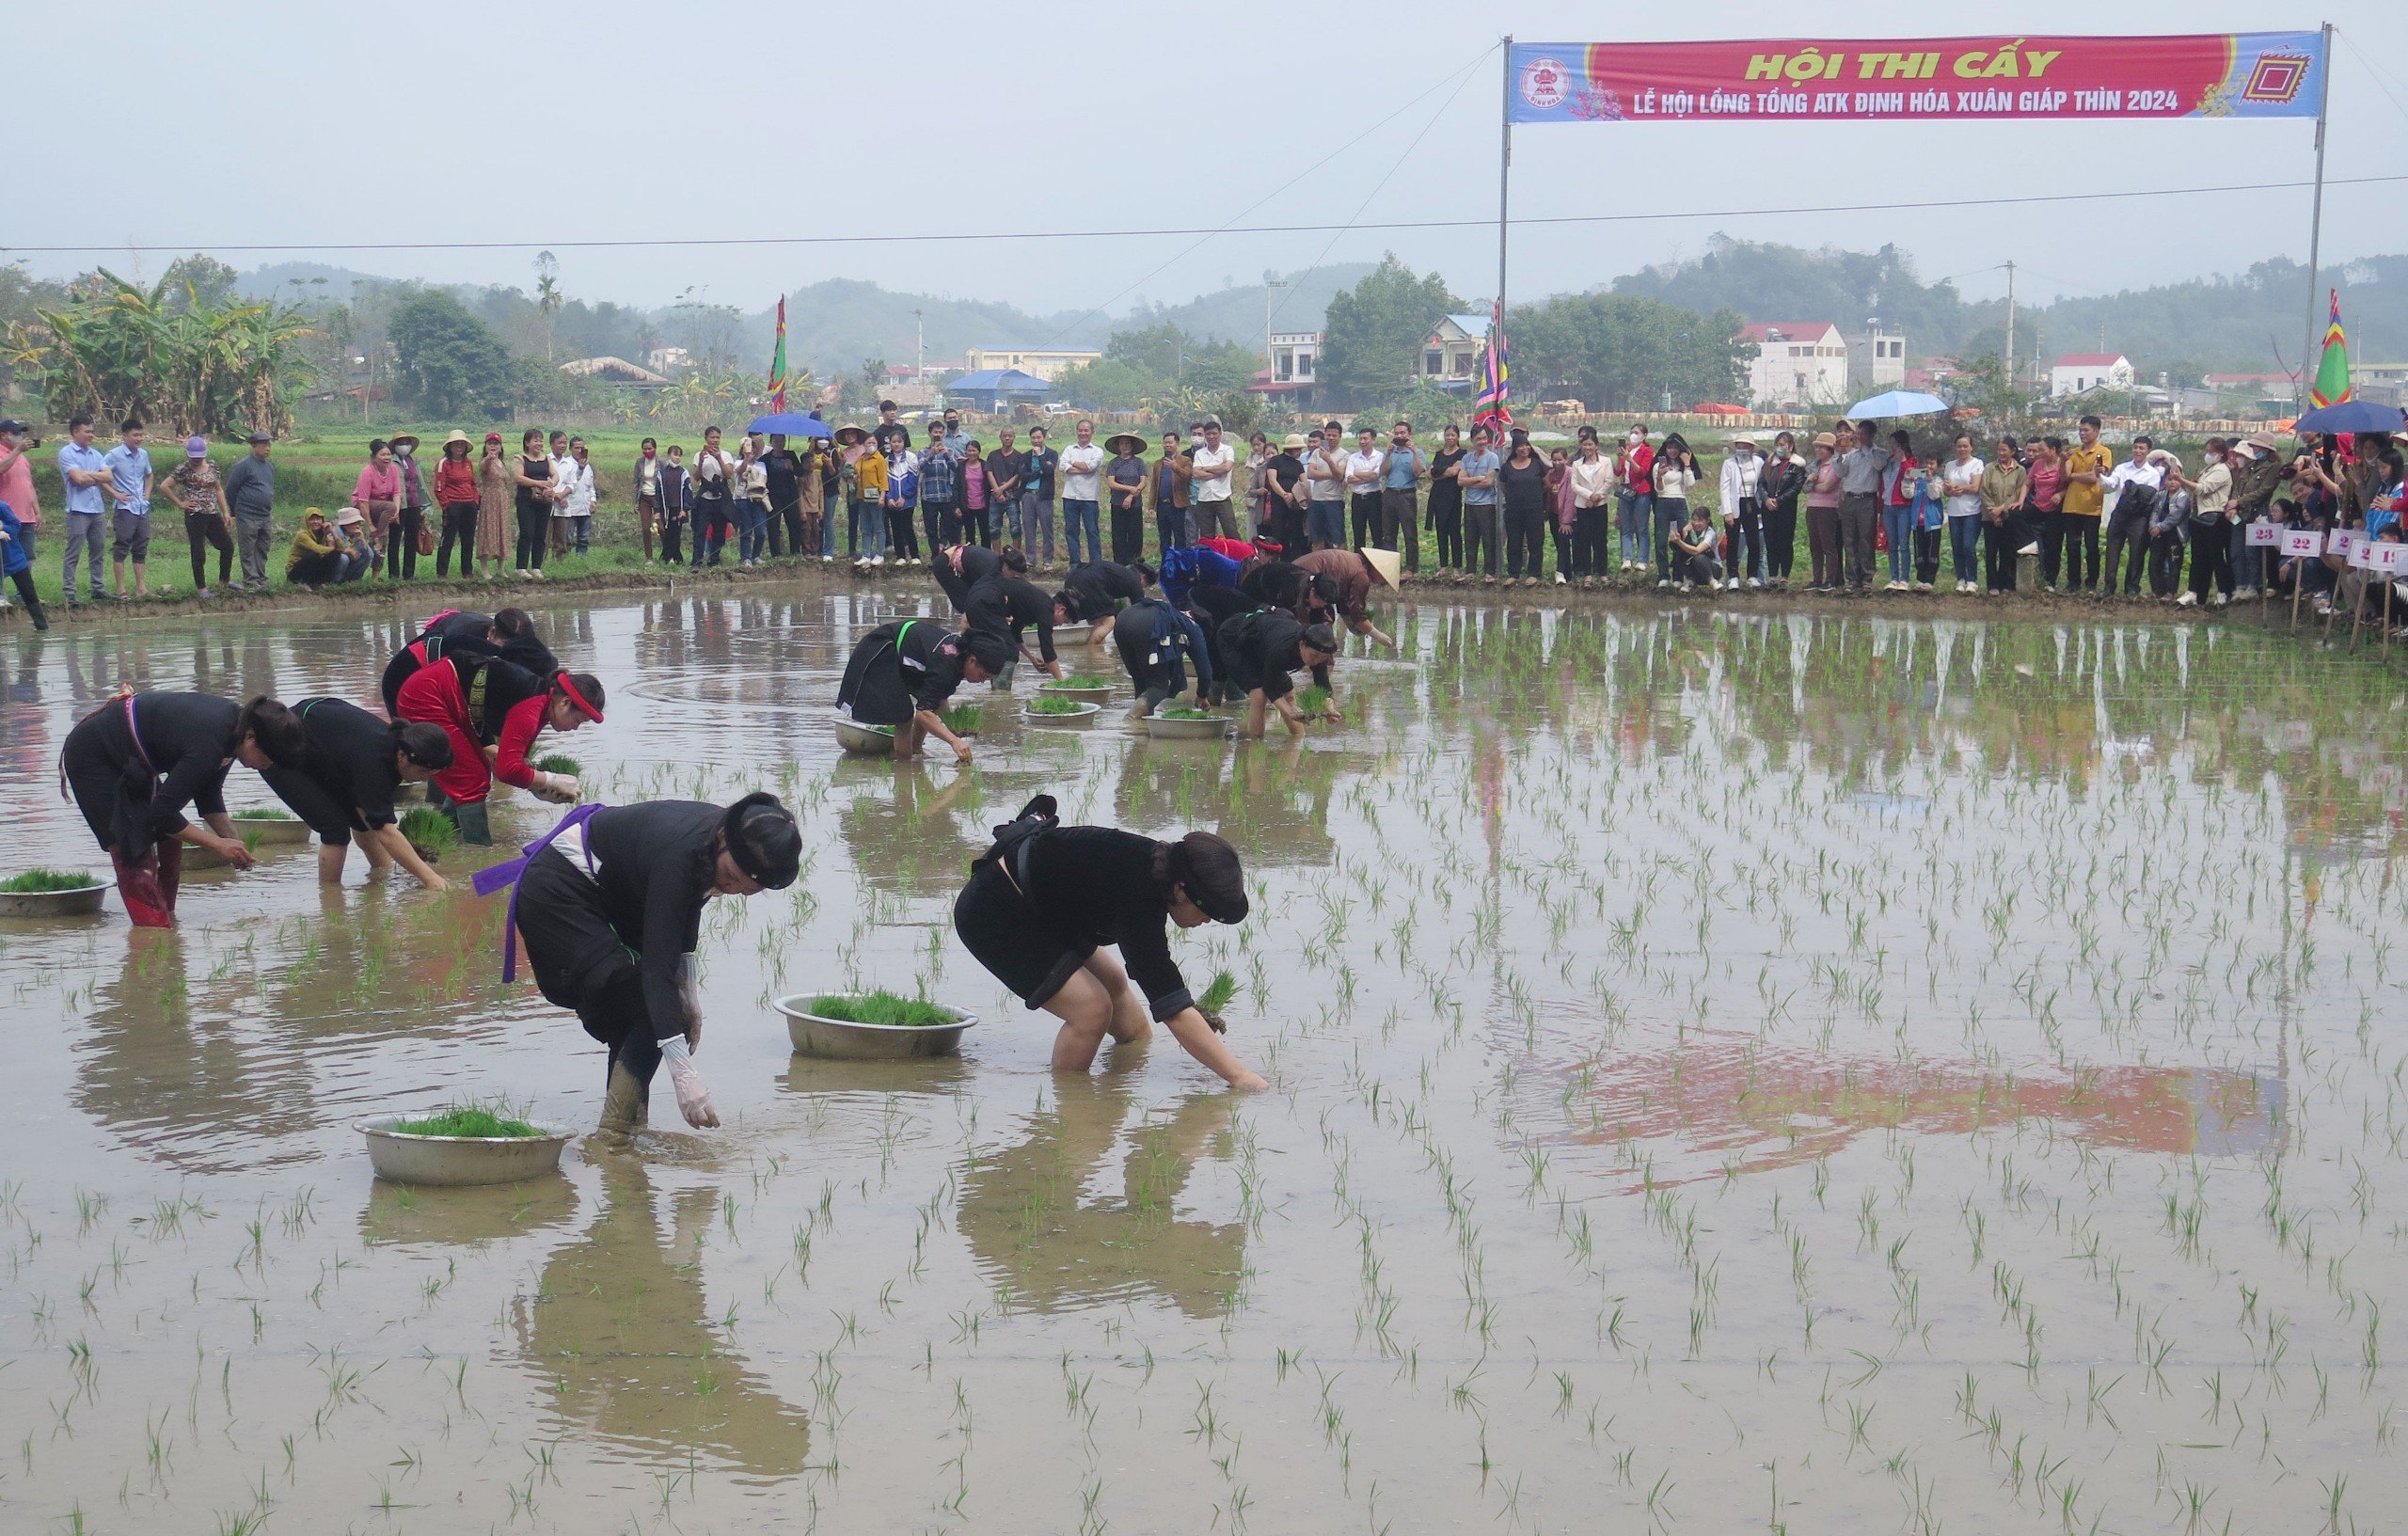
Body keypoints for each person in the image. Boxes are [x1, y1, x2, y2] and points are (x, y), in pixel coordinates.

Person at [491, 793, 803, 1132]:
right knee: (646, 1008)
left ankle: (627, 1128)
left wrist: (689, 994)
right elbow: (657, 966)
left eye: (746, 889)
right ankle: (616, 1137)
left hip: (610, 895)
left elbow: (684, 919)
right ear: (723, 838)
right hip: (560, 892)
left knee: (653, 1013)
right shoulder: (682, 851)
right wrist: (682, 1070)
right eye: (732, 875)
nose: (730, 888)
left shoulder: (712, 850)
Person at [951, 797, 1267, 1089]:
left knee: (1126, 1011)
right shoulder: (1137, 896)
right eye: (1207, 909)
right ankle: (1075, 1109)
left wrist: (1191, 1018)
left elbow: (1165, 992)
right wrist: (1241, 1077)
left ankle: (1115, 1095)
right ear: (1182, 890)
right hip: (995, 913)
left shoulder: (1156, 874)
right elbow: (1170, 1005)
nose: (1208, 920)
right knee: (1090, 1010)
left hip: (1049, 910)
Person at [60, 692, 308, 926]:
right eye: (267, 757)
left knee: (169, 841)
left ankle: (167, 921)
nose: (266, 766)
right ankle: (152, 932)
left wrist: (232, 839)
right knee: (134, 852)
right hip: (94, 755)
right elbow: (162, 815)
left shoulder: (232, 732)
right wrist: (218, 845)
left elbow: (208, 795)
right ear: (251, 737)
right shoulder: (210, 742)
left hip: (133, 758)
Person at [394, 655, 602, 844]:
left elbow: (513, 762)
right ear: (565, 702)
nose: (575, 728)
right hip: (428, 694)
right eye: (579, 720)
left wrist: (541, 790)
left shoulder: (543, 703)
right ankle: (479, 850)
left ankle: (450, 835)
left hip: (452, 699)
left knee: (476, 770)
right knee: (471, 778)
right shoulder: (531, 708)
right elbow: (507, 770)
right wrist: (552, 780)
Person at [259, 699, 454, 889]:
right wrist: (430, 879)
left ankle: (382, 876)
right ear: (403, 756)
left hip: (321, 747)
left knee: (364, 823)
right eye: (424, 772)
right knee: (335, 830)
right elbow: (386, 832)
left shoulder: (395, 746)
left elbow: (372, 821)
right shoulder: (375, 764)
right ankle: (331, 900)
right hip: (279, 750)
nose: (426, 779)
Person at [836, 619, 1009, 762]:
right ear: (972, 661)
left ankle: (916, 750)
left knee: (928, 704)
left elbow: (936, 701)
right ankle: (904, 768)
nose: (982, 682)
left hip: (902, 657)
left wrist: (954, 726)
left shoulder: (958, 660)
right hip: (880, 652)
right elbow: (924, 714)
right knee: (903, 718)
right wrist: (954, 741)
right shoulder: (946, 665)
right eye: (983, 675)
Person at [379, 606, 549, 715]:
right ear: (492, 632)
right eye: (506, 648)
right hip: (405, 675)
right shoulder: (462, 638)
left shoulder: (498, 640)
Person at [1218, 609, 1340, 736]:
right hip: (1235, 640)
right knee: (1259, 694)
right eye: (1314, 656)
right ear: (1302, 644)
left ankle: (1299, 741)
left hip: (1263, 648)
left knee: (1289, 695)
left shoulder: (1318, 651)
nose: (1317, 661)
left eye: (1322, 658)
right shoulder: (1282, 649)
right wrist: (1289, 712)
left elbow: (1323, 685)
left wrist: (1329, 708)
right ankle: (1255, 747)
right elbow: (1270, 687)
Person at [1112, 594, 1215, 717]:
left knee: (1141, 681)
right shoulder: (1195, 628)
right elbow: (1205, 672)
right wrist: (1202, 695)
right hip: (1147, 624)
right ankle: (1130, 719)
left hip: (1123, 618)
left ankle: (1140, 729)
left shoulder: (1173, 614)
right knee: (1159, 687)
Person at [163, 436, 234, 598]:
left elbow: (218, 490)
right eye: (193, 457)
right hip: (195, 516)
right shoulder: (183, 469)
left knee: (227, 546)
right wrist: (180, 503)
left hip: (212, 513)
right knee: (198, 551)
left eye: (199, 457)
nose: (196, 460)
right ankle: (201, 588)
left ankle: (225, 581)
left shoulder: (213, 467)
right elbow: (165, 486)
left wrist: (226, 512)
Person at [1289, 546, 1399, 650]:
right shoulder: (1361, 576)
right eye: (1384, 578)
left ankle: (1320, 659)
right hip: (1304, 580)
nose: (1382, 582)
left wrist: (1352, 624)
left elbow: (1342, 601)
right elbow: (1357, 613)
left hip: (1296, 572)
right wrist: (1378, 635)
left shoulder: (1356, 561)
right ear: (1377, 570)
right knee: (1321, 623)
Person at [963, 571, 1067, 679]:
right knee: (1009, 652)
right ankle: (1001, 691)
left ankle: (994, 689)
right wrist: (1061, 682)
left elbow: (1014, 633)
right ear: (1061, 610)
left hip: (976, 599)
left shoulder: (1034, 604)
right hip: (985, 602)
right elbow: (1047, 651)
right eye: (1064, 620)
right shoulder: (1046, 610)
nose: (1060, 624)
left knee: (995, 647)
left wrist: (1031, 658)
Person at [2100, 433, 2164, 598]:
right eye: (2135, 447)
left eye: (2141, 448)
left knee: (2137, 552)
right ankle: (2109, 586)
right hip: (2120, 513)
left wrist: (2130, 489)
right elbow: (2110, 485)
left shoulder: (2152, 473)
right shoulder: (2122, 468)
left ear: (2148, 451)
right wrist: (2098, 474)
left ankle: (2132, 588)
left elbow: (2148, 496)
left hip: (2139, 517)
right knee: (2112, 550)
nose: (2138, 451)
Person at [57, 416, 112, 607]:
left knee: (98, 550)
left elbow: (109, 477)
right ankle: (69, 592)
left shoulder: (96, 454)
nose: (91, 435)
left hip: (97, 509)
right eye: (87, 431)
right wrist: (96, 477)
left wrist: (87, 475)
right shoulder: (67, 453)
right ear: (75, 432)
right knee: (74, 551)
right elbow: (77, 480)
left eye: (92, 431)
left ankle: (98, 588)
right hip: (78, 509)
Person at [2178, 437, 2236, 608]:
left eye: (2211, 452)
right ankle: (2194, 592)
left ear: (2220, 454)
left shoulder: (2222, 471)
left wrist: (2181, 480)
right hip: (2199, 517)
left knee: (2216, 557)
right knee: (2198, 558)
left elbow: (2203, 489)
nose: (2208, 455)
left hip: (2215, 518)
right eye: (2207, 452)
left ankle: (2223, 591)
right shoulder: (2208, 469)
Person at [2059, 414, 2114, 594]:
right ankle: (2073, 583)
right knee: (2072, 546)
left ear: (2096, 431)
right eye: (2080, 430)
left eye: (2086, 430)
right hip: (2071, 506)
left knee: (2091, 546)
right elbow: (2064, 477)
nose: (2082, 433)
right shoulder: (2073, 453)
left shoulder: (2103, 452)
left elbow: (2094, 478)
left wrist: (2073, 475)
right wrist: (2062, 461)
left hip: (2092, 507)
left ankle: (2091, 583)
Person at [1836, 420, 1892, 594]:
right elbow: (1840, 472)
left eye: (1864, 434)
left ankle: (1867, 578)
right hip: (1850, 499)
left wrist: (1867, 448)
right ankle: (1852, 579)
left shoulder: (1879, 453)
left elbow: (1878, 465)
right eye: (1858, 433)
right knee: (1849, 540)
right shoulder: (1852, 455)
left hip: (1867, 500)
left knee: (1866, 539)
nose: (1860, 437)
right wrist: (1838, 454)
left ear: (1871, 435)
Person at [104, 417, 157, 599]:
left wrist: (147, 494)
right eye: (135, 435)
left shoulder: (143, 454)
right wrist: (115, 493)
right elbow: (100, 475)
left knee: (141, 546)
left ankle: (141, 588)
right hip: (125, 508)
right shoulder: (113, 455)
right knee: (122, 546)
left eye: (141, 435)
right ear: (125, 435)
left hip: (141, 507)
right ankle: (121, 589)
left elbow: (149, 475)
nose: (139, 438)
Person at [1053, 559, 1153, 647]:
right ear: (1143, 577)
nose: (1143, 587)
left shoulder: (1120, 571)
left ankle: (1097, 656)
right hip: (1090, 582)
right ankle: (1089, 653)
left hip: (1073, 577)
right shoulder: (1134, 583)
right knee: (1108, 623)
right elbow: (1140, 613)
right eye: (1146, 585)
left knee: (1097, 626)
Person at [222, 430, 277, 592]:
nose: (267, 448)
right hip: (247, 514)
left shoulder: (269, 467)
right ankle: (251, 580)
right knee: (248, 549)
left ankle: (261, 577)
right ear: (254, 446)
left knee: (263, 547)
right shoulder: (243, 465)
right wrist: (232, 511)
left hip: (264, 514)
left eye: (268, 445)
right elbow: (231, 489)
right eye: (263, 445)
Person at [1979, 435, 2028, 595]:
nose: (2001, 453)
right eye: (1999, 450)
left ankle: (2007, 584)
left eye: (2004, 450)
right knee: (1991, 551)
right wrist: (1994, 513)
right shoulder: (1990, 468)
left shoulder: (2020, 471)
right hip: (1990, 517)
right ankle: (1992, 585)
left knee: (2008, 551)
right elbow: (1984, 491)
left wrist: (2002, 509)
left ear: (2013, 451)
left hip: (2010, 517)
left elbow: (2019, 494)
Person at [1651, 434, 1701, 591]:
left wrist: (1687, 464)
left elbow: (1690, 484)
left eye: (1675, 448)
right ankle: (1664, 576)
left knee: (1681, 539)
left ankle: (1679, 576)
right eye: (1669, 447)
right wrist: (1659, 476)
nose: (1672, 451)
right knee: (1661, 540)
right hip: (1663, 503)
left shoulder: (1682, 465)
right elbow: (1659, 489)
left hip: (1680, 503)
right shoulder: (1658, 466)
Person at [1938, 435, 1986, 594]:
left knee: (1968, 546)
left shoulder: (1977, 463)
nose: (1962, 449)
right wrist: (1951, 490)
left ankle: (1972, 580)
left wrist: (1958, 487)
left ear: (1971, 447)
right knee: (1956, 547)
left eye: (1965, 446)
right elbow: (1946, 490)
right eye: (1959, 446)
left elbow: (1975, 487)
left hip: (1972, 511)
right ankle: (1961, 579)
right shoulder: (1950, 465)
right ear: (1954, 447)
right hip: (1954, 512)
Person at [428, 431, 479, 578]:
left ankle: (467, 572)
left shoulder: (468, 463)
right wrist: (447, 505)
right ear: (450, 446)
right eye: (456, 444)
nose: (459, 447)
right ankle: (442, 573)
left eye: (462, 444)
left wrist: (475, 501)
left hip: (469, 505)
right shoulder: (443, 464)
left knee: (468, 540)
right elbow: (439, 488)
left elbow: (473, 483)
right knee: (448, 539)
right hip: (453, 505)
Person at [1566, 432, 1613, 588]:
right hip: (1583, 506)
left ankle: (1603, 573)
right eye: (1585, 444)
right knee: (1584, 540)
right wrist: (1589, 496)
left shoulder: (1606, 462)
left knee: (1600, 540)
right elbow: (1574, 485)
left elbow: (1609, 482)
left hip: (1599, 505)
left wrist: (1596, 497)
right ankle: (1588, 574)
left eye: (1590, 444)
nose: (1587, 447)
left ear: (1596, 446)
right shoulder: (1577, 464)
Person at [1718, 437, 1766, 591]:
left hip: (1752, 503)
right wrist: (1728, 512)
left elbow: (1761, 483)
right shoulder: (1729, 464)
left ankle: (1752, 576)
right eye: (1740, 446)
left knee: (1754, 541)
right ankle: (1733, 577)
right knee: (1733, 542)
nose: (1742, 449)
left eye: (1746, 446)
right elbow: (1724, 488)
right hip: (1735, 503)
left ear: (1752, 448)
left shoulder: (1758, 462)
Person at [1379, 420, 1427, 575]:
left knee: (1409, 533)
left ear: (1409, 434)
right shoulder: (1390, 452)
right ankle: (1390, 568)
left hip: (1406, 495)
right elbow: (1383, 471)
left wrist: (1413, 452)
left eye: (1403, 433)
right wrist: (1388, 454)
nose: (1399, 436)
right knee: (1388, 533)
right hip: (1390, 494)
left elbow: (1418, 472)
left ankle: (1411, 567)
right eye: (1397, 433)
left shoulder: (1418, 452)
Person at [353, 437, 401, 582]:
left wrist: (396, 511)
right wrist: (370, 525)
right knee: (379, 533)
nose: (387, 457)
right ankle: (376, 539)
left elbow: (397, 492)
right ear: (374, 457)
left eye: (388, 454)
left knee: (383, 539)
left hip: (382, 509)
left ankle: (375, 577)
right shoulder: (367, 472)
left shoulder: (393, 469)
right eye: (382, 454)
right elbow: (363, 502)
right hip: (363, 507)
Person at [2146, 450, 2192, 601]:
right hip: (2158, 534)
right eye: (2169, 479)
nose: (2172, 482)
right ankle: (2156, 591)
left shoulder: (2183, 497)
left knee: (2174, 564)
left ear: (2181, 480)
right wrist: (2153, 526)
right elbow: (2154, 512)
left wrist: (2160, 527)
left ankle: (2170, 592)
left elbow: (2175, 517)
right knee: (2154, 562)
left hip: (2175, 535)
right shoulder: (2160, 495)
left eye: (2175, 479)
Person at [1459, 425, 1502, 584]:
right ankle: (1470, 571)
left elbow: (1489, 482)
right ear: (1472, 440)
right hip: (1469, 504)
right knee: (1470, 538)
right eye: (1479, 439)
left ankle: (1490, 572)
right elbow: (1460, 481)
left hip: (1486, 504)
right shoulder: (1466, 459)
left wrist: (1469, 481)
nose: (1482, 442)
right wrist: (1478, 478)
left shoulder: (1492, 457)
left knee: (1488, 539)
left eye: (1485, 438)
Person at [1761, 431, 1805, 589]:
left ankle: (1784, 577)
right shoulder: (1769, 463)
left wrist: (1779, 500)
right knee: (1770, 541)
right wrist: (1766, 499)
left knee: (1785, 542)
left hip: (1786, 508)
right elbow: (1761, 484)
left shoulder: (1797, 466)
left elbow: (1796, 487)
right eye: (1777, 445)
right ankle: (1772, 577)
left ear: (1790, 446)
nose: (1779, 448)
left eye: (1782, 445)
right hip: (1768, 508)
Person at [0, 420, 41, 585]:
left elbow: (29, 485)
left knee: (28, 555)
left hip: (26, 516)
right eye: (16, 433)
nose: (20, 437)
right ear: (3, 435)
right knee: (2, 556)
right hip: (6, 517)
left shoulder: (23, 458)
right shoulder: (8, 454)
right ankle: (1, 595)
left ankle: (23, 593)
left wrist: (37, 511)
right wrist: (17, 450)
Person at [1058, 419, 1105, 563]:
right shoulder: (1069, 449)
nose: (1083, 433)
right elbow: (1062, 466)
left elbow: (1091, 467)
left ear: (1092, 432)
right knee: (1071, 532)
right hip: (1070, 496)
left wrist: (1071, 462)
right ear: (1077, 431)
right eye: (1080, 430)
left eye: (1086, 430)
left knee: (1092, 532)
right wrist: (1082, 467)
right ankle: (1075, 564)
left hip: (1089, 498)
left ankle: (1096, 564)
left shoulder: (1097, 451)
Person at [690, 426, 737, 568]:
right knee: (700, 531)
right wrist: (701, 462)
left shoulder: (726, 455)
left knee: (719, 531)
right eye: (712, 437)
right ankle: (696, 562)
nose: (715, 440)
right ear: (706, 439)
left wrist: (719, 458)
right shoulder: (699, 455)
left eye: (717, 437)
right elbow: (696, 477)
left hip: (721, 499)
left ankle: (714, 559)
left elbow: (728, 474)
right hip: (705, 498)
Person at [1803, 432, 1844, 593]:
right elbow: (1804, 488)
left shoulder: (1835, 465)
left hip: (1829, 508)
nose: (1818, 450)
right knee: (1815, 545)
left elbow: (1827, 487)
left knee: (1829, 545)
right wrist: (1811, 483)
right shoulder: (1814, 465)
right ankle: (1817, 579)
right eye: (1817, 447)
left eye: (1822, 447)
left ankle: (1831, 580)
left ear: (1830, 449)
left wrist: (1813, 484)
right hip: (1812, 507)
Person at [512, 428, 554, 578]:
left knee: (540, 534)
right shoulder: (520, 458)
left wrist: (550, 485)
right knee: (527, 532)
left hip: (544, 500)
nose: (539, 443)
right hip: (526, 500)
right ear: (527, 443)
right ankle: (521, 567)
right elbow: (518, 478)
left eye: (541, 440)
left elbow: (555, 475)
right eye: (535, 440)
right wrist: (538, 483)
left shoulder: (546, 459)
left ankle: (537, 567)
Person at [1189, 420, 1240, 543]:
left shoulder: (1227, 450)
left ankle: (1240, 560)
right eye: (1208, 434)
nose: (1211, 436)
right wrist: (1218, 472)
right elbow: (1195, 473)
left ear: (1220, 434)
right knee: (1207, 537)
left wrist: (1206, 468)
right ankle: (1210, 560)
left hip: (1222, 498)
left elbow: (1227, 467)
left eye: (1214, 433)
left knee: (1231, 532)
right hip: (1204, 499)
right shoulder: (1200, 453)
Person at [0, 494, 46, 628]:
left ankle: (42, 627)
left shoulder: (2, 506)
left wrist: (4, 528)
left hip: (14, 558)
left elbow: (16, 525)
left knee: (29, 593)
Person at [1426, 424, 1465, 578]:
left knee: (1454, 533)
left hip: (1453, 497)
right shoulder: (1438, 454)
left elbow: (1455, 471)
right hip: (1438, 497)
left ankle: (1456, 568)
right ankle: (1443, 566)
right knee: (1441, 532)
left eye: (1452, 435)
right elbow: (1430, 474)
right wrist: (1443, 471)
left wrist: (1438, 472)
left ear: (1458, 436)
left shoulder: (1462, 453)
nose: (1449, 438)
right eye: (1447, 435)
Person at [1616, 423, 1655, 574]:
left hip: (1641, 491)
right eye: (1632, 432)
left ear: (1644, 436)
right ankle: (1627, 558)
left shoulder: (1647, 451)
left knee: (1642, 527)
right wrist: (1620, 458)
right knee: (1626, 527)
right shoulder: (1628, 449)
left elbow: (1642, 471)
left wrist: (1629, 459)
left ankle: (1642, 560)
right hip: (1626, 490)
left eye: (1637, 433)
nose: (1633, 435)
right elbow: (1619, 471)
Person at [389, 433, 429, 580]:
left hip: (414, 503)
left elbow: (420, 483)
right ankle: (393, 574)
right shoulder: (391, 462)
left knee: (411, 539)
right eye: (401, 442)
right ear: (395, 445)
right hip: (399, 505)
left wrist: (424, 505)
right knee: (395, 539)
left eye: (407, 442)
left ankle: (409, 573)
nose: (404, 445)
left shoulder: (412, 461)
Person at [473, 431, 511, 579]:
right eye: (490, 443)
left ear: (501, 447)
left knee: (503, 532)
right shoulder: (485, 461)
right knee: (488, 532)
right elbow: (483, 467)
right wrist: (489, 457)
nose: (493, 446)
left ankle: (501, 568)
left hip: (502, 501)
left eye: (496, 444)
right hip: (490, 501)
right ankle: (484, 569)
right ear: (486, 446)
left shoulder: (502, 463)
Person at [1020, 425, 1059, 567]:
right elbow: (1023, 476)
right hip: (1028, 495)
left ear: (1043, 438)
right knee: (1029, 528)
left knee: (1046, 529)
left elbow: (1049, 471)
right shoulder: (1025, 456)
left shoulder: (1052, 454)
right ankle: (1030, 559)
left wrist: (1041, 457)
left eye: (1039, 437)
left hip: (1044, 496)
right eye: (1033, 438)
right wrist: (1038, 473)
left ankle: (1047, 560)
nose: (1036, 440)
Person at [1105, 432, 1149, 562]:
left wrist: (1131, 496)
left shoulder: (1139, 462)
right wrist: (1130, 488)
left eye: (1128, 443)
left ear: (1132, 445)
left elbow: (1143, 482)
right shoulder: (1114, 463)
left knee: (1135, 535)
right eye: (1122, 443)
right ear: (1118, 446)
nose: (1125, 446)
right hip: (1117, 504)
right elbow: (1111, 483)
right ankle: (1119, 565)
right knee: (1118, 535)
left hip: (1135, 504)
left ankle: (1135, 564)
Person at [1148, 432, 1193, 556]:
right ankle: (1166, 564)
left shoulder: (1185, 460)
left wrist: (1175, 466)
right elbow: (1154, 485)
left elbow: (1188, 476)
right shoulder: (1158, 463)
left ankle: (1180, 564)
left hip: (1177, 505)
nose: (1167, 445)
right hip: (1162, 505)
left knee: (1179, 535)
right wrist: (1152, 505)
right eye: (1165, 443)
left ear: (1177, 443)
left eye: (1170, 442)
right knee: (1164, 536)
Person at [1342, 426, 1386, 552]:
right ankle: (1359, 562)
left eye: (1365, 438)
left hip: (1375, 498)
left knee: (1377, 532)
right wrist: (1369, 475)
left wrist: (1358, 473)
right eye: (1360, 439)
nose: (1362, 442)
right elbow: (1349, 479)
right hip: (1357, 499)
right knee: (1358, 533)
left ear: (1373, 440)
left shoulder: (1380, 456)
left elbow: (1376, 475)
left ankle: (1377, 564)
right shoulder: (1353, 457)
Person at [850, 427, 890, 566]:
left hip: (876, 496)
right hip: (862, 496)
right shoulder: (861, 459)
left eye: (874, 443)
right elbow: (856, 472)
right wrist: (854, 478)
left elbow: (883, 479)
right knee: (865, 527)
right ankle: (866, 554)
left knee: (878, 526)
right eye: (868, 443)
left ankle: (879, 554)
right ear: (863, 445)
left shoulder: (879, 459)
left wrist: (882, 496)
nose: (871, 445)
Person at [882, 429, 922, 564]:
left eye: (899, 441)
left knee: (907, 527)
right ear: (890, 443)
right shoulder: (886, 460)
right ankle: (900, 556)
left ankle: (915, 555)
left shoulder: (911, 457)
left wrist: (904, 497)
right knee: (896, 528)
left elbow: (913, 479)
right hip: (892, 501)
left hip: (908, 500)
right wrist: (890, 498)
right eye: (894, 442)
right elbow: (885, 482)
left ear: (904, 442)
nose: (897, 444)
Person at [1306, 424, 1347, 552]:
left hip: (1334, 500)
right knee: (1317, 538)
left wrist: (1329, 461)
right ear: (1324, 435)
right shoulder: (1317, 452)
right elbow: (1310, 473)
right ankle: (1318, 568)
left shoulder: (1344, 454)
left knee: (1338, 538)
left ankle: (1342, 568)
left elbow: (1340, 476)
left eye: (1334, 435)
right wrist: (1331, 475)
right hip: (1316, 500)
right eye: (1328, 435)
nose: (1331, 438)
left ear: (1340, 436)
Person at [761, 434, 802, 560]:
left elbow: (801, 472)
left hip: (790, 495)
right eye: (776, 441)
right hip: (773, 496)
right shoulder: (765, 459)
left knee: (794, 522)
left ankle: (795, 551)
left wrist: (792, 467)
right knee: (773, 524)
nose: (779, 443)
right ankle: (776, 553)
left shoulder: (790, 455)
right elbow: (761, 476)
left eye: (782, 441)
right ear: (771, 442)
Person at [917, 429, 959, 554]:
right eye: (934, 432)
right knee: (931, 530)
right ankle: (935, 556)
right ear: (929, 434)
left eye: (940, 432)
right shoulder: (923, 452)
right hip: (929, 497)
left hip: (946, 495)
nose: (937, 435)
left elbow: (957, 468)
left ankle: (952, 556)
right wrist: (932, 454)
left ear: (943, 434)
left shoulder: (949, 451)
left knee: (950, 527)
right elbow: (920, 468)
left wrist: (946, 455)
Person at [285, 507, 345, 588]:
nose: (315, 522)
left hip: (312, 570)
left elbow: (342, 549)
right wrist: (331, 548)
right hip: (295, 571)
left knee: (335, 554)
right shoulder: (302, 535)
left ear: (322, 521)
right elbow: (317, 549)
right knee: (315, 554)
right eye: (312, 519)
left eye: (318, 519)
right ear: (307, 520)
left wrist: (332, 531)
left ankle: (318, 582)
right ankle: (301, 583)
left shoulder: (323, 533)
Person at [1670, 504, 1723, 592]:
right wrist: (1684, 533)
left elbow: (1696, 551)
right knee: (1679, 554)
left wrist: (1679, 542)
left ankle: (1712, 581)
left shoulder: (1710, 533)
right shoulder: (1689, 530)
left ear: (1707, 521)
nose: (1696, 523)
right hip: (1696, 569)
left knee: (1699, 557)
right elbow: (1685, 550)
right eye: (1694, 520)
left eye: (1700, 520)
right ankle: (1692, 580)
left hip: (1713, 568)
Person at [561, 438, 599, 558]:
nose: (579, 450)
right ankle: (564, 560)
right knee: (567, 538)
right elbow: (565, 484)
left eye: (582, 448)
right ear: (570, 449)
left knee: (584, 538)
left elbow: (591, 486)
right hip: (570, 507)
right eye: (576, 448)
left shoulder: (588, 466)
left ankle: (581, 559)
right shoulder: (566, 464)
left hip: (585, 507)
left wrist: (593, 500)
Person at [1243, 431, 1272, 542]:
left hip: (1265, 498)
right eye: (1254, 445)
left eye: (1259, 444)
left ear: (1265, 444)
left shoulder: (1268, 459)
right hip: (1252, 495)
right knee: (1251, 525)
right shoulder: (1249, 458)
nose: (1256, 447)